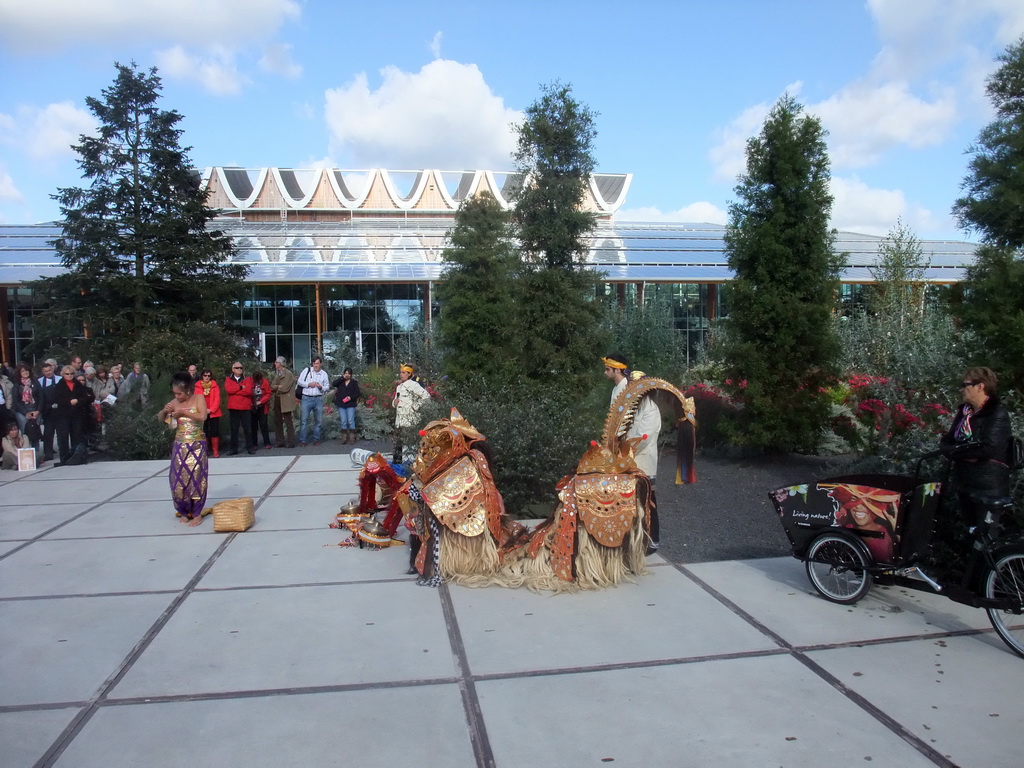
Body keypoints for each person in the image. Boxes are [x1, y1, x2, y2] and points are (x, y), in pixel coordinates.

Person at [603, 353, 663, 552]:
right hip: (626, 461)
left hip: (642, 462)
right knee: (628, 502)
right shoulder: (633, 407)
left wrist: (625, 453)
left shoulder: (651, 409)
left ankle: (652, 540)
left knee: (647, 501)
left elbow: (643, 439)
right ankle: (631, 540)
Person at [940, 366, 1013, 527]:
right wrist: (960, 451)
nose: (961, 389)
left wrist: (956, 451)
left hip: (988, 486)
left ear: (980, 386)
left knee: (985, 536)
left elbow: (989, 449)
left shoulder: (996, 413)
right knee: (971, 531)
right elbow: (947, 441)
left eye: (965, 384)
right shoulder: (965, 413)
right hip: (965, 483)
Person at [159, 371, 209, 526]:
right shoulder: (174, 402)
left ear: (187, 390)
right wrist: (165, 411)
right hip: (180, 445)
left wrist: (183, 413)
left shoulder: (198, 398)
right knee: (178, 479)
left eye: (179, 393)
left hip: (196, 444)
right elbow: (161, 419)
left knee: (197, 478)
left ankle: (196, 513)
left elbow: (202, 417)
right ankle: (184, 510)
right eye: (175, 393)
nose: (177, 396)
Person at [52, 365, 92, 465]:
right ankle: (64, 458)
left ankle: (77, 457)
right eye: (67, 374)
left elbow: (86, 398)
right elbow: (57, 400)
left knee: (77, 435)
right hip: (63, 415)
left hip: (77, 414)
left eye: (71, 374)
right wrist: (69, 402)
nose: (69, 376)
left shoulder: (78, 384)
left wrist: (77, 401)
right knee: (63, 437)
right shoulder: (59, 385)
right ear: (62, 374)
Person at [392, 363, 428, 463]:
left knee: (409, 442)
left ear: (409, 374)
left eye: (403, 373)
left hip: (410, 418)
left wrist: (415, 406)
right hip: (399, 419)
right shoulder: (399, 387)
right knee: (398, 442)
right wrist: (394, 403)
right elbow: (396, 399)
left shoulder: (414, 385)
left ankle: (410, 462)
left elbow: (426, 396)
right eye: (400, 372)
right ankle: (397, 462)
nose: (401, 374)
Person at [11, 363, 43, 459]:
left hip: (35, 409)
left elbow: (41, 398)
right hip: (22, 411)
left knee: (35, 430)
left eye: (26, 370)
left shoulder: (35, 382)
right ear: (19, 373)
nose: (25, 373)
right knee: (25, 431)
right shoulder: (17, 384)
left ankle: (37, 453)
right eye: (22, 371)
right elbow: (15, 401)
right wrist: (26, 413)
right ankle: (26, 452)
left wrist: (38, 411)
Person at [297, 356, 329, 447]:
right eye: (314, 363)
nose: (316, 365)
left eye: (317, 363)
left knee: (318, 421)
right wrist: (308, 384)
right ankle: (303, 440)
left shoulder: (324, 374)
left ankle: (316, 439)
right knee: (304, 420)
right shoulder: (307, 371)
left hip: (318, 398)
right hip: (306, 397)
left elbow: (327, 386)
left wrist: (321, 387)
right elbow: (299, 381)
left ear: (321, 364)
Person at [224, 362, 255, 455]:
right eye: (237, 368)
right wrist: (240, 387)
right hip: (233, 407)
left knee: (248, 428)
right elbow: (229, 390)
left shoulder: (248, 379)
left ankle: (250, 447)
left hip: (245, 407)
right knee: (234, 429)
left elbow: (248, 391)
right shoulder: (228, 379)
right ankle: (233, 449)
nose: (239, 369)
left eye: (241, 367)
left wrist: (236, 391)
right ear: (233, 369)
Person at [271, 356, 297, 448]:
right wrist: (278, 386)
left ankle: (291, 442)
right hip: (278, 399)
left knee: (288, 421)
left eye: (276, 362)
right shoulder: (278, 374)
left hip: (285, 400)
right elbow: (272, 386)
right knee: (277, 421)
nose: (275, 364)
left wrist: (277, 387)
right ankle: (280, 441)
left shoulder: (288, 374)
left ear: (281, 364)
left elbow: (285, 388)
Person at [37, 360, 60, 461]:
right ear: (43, 372)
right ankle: (48, 453)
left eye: (49, 370)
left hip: (60, 410)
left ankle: (64, 451)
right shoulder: (39, 381)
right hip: (47, 411)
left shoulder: (60, 379)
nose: (48, 372)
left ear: (53, 369)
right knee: (48, 432)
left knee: (61, 432)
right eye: (45, 371)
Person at [195, 369, 222, 458]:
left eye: (208, 376)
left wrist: (211, 410)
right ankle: (205, 450)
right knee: (204, 431)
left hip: (214, 412)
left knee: (215, 431)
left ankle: (215, 451)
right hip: (203, 412)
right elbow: (197, 399)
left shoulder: (215, 386)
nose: (207, 377)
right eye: (205, 375)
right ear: (202, 376)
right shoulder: (197, 386)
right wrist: (204, 409)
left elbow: (217, 400)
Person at [331, 367, 361, 444]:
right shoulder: (341, 382)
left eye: (348, 373)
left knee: (350, 420)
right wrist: (342, 378)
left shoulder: (354, 383)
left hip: (350, 404)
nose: (347, 375)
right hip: (341, 404)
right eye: (346, 373)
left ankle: (352, 437)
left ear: (351, 375)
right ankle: (344, 437)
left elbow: (357, 393)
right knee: (343, 421)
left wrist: (350, 397)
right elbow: (333, 384)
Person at [250, 370, 273, 450]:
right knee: (253, 426)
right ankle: (254, 444)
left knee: (263, 425)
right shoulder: (250, 382)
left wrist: (261, 401)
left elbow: (268, 393)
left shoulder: (265, 382)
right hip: (252, 406)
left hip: (263, 406)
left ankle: (267, 442)